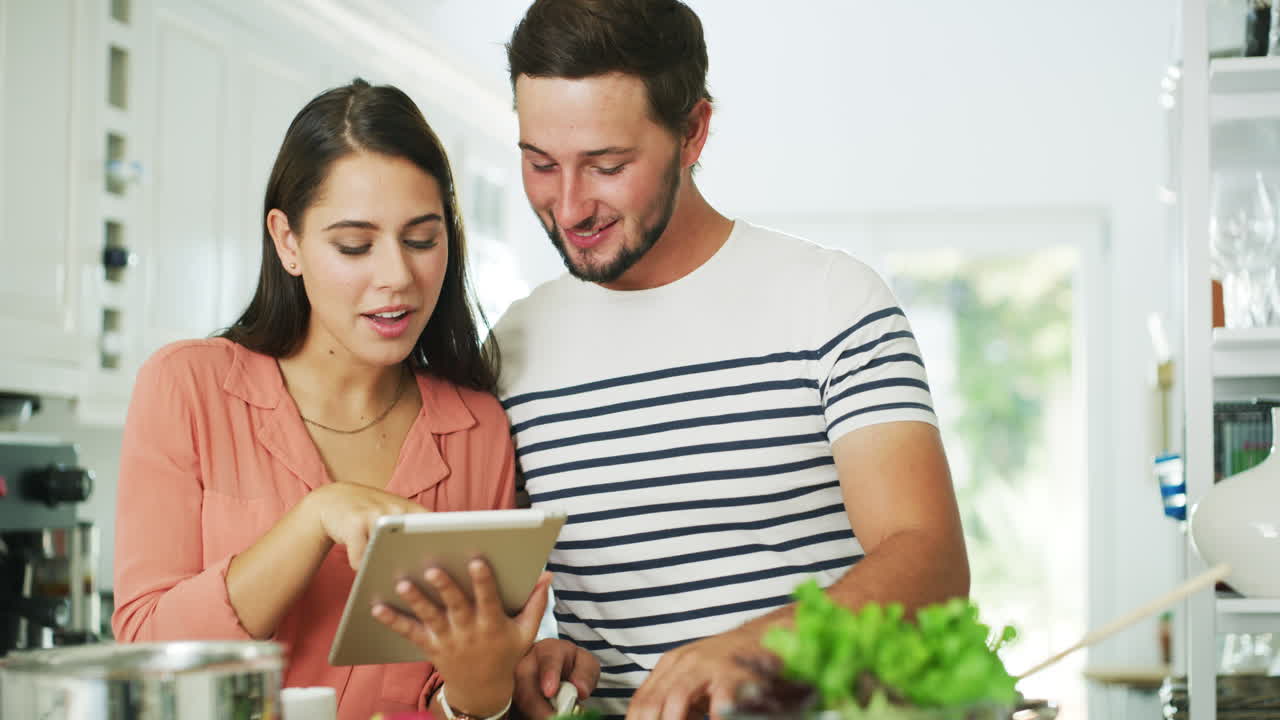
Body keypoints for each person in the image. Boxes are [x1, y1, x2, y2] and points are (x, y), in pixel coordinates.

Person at [492, 2, 970, 719]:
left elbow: (930, 561)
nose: (567, 206)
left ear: (692, 132)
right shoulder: (512, 351)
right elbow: (498, 605)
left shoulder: (833, 302)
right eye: (539, 164)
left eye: (607, 165)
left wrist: (754, 646)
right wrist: (534, 656)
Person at [112, 79, 547, 720]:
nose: (396, 275)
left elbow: (457, 693)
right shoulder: (188, 388)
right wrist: (315, 519)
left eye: (422, 239)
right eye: (354, 245)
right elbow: (147, 655)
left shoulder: (476, 427)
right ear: (288, 242)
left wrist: (481, 691)